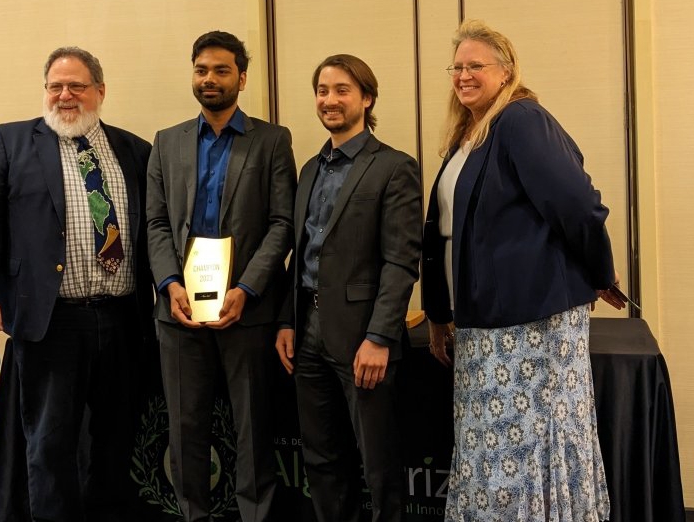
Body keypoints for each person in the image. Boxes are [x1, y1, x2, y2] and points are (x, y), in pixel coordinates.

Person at [422, 20, 627, 521]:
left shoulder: (520, 120)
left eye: (477, 66)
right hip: (483, 323)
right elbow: (447, 232)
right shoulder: (470, 132)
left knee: (528, 450)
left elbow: (577, 206)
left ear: (506, 71)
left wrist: (600, 272)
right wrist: (438, 311)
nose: (464, 75)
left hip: (531, 325)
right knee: (488, 455)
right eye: (458, 67)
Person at [0, 47, 154, 521]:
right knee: (49, 443)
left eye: (77, 86)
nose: (65, 95)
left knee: (115, 438)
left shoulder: (135, 149)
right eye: (55, 86)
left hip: (122, 318)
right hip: (52, 322)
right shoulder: (12, 142)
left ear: (100, 92)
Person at [145, 31, 296, 522]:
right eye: (202, 70)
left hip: (246, 311)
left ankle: (256, 516)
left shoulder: (272, 140)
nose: (209, 79)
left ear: (242, 78)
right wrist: (169, 284)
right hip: (179, 310)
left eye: (221, 70)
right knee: (185, 428)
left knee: (253, 427)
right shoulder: (166, 141)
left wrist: (246, 289)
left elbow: (282, 224)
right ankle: (193, 514)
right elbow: (157, 223)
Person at [275, 54, 422, 522]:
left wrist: (380, 338)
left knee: (378, 465)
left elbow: (401, 263)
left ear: (367, 98)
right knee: (320, 460)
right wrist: (286, 320)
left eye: (342, 90)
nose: (330, 100)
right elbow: (301, 254)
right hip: (308, 334)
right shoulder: (309, 170)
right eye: (322, 90)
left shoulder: (394, 167)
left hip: (363, 337)